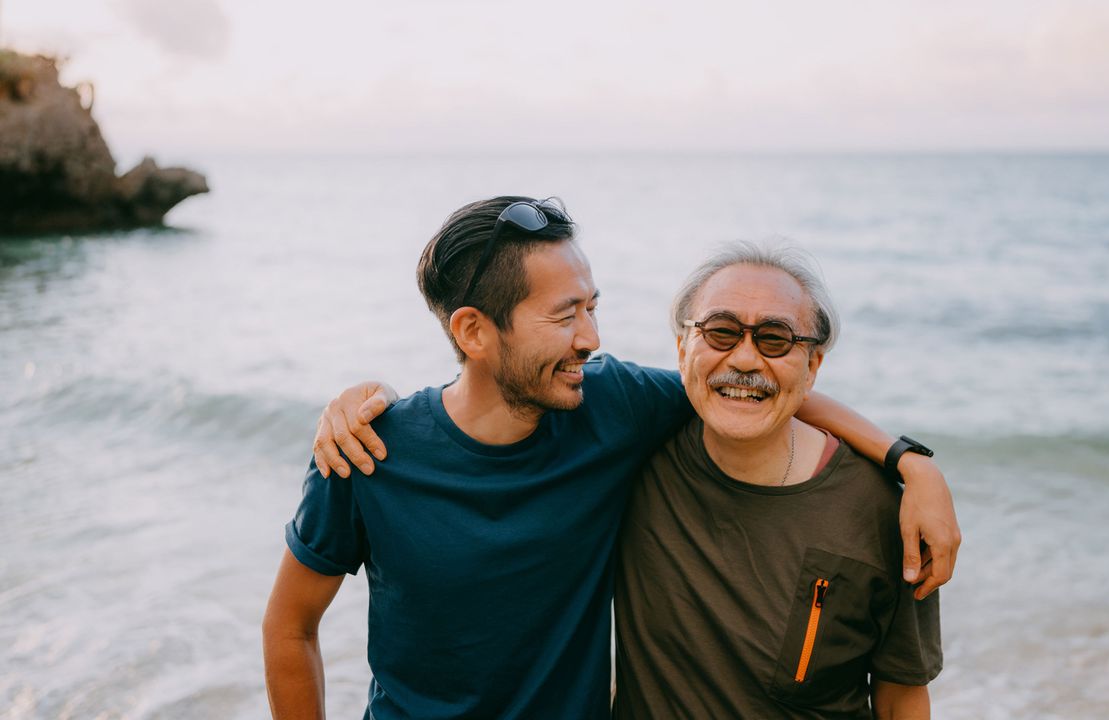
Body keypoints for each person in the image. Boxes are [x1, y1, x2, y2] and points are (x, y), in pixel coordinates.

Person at [266, 196, 959, 719]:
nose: (591, 338)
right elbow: (290, 625)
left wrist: (908, 463)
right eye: (566, 316)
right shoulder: (369, 450)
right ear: (474, 331)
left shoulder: (609, 405)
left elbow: (746, 384)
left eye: (593, 308)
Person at [613, 243, 940, 718]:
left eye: (775, 339)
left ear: (812, 367)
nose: (745, 359)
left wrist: (914, 465)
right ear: (683, 348)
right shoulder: (632, 452)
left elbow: (901, 696)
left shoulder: (883, 511)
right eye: (721, 332)